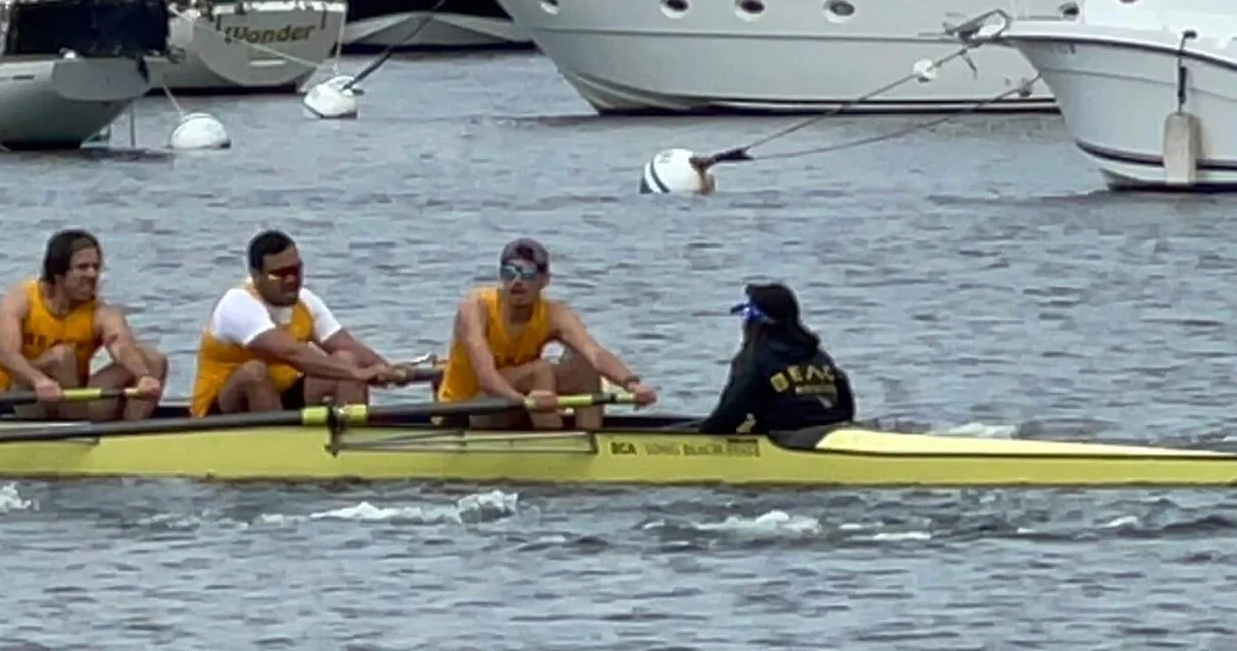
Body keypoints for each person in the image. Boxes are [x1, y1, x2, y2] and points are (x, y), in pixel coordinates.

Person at [435, 237, 659, 430]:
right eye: (509, 272)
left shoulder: (554, 314)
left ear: (545, 281)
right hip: (467, 408)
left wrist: (631, 384)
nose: (517, 282)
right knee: (540, 371)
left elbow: (596, 354)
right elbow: (486, 378)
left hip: (521, 402)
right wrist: (526, 401)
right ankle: (556, 446)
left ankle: (590, 440)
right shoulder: (476, 307)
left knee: (585, 367)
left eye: (528, 274)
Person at [191, 229, 415, 416]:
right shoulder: (237, 303)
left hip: (281, 395)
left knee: (347, 359)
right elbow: (292, 353)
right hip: (222, 408)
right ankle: (279, 446)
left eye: (295, 270)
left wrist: (390, 371)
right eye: (279, 274)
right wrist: (356, 373)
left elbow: (347, 346)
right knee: (255, 373)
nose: (291, 280)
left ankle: (352, 438)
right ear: (256, 275)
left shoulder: (305, 301)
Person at [0, 229, 168, 420]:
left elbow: (120, 345)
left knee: (153, 359)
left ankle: (130, 434)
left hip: (74, 399)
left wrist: (142, 376)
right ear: (58, 273)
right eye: (82, 267)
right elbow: (6, 355)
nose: (92, 274)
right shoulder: (18, 301)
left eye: (96, 267)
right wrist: (39, 380)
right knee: (61, 356)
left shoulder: (100, 312)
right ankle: (77, 428)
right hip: (23, 396)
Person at [700, 282, 854, 435]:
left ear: (757, 322)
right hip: (830, 435)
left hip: (784, 442)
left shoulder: (754, 360)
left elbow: (728, 417)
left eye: (747, 313)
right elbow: (846, 407)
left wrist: (701, 434)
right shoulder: (819, 357)